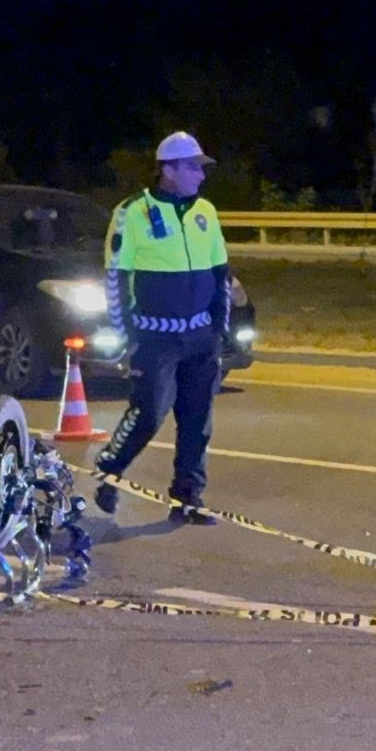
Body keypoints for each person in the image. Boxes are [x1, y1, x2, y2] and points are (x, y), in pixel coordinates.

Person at [93, 132, 233, 524]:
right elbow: (116, 277)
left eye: (201, 169)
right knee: (149, 414)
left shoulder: (206, 212)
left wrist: (219, 330)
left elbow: (220, 273)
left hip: (201, 336)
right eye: (193, 168)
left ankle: (188, 497)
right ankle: (109, 470)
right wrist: (126, 335)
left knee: (197, 421)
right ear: (168, 171)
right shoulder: (132, 213)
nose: (201, 176)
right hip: (156, 337)